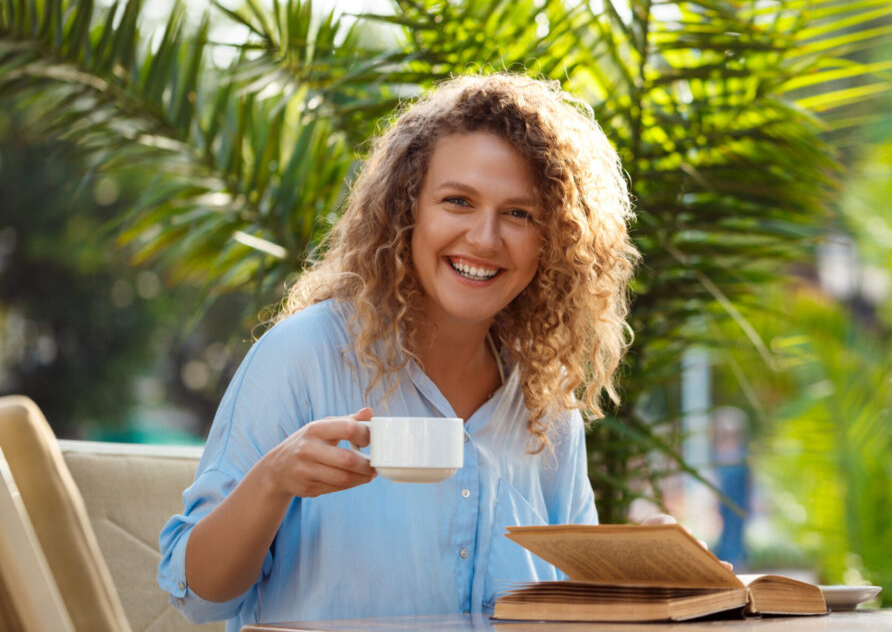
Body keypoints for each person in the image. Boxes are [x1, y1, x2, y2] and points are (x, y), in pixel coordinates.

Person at [158, 73, 639, 630]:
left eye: (519, 214)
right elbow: (199, 597)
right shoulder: (303, 356)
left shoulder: (547, 407)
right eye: (458, 201)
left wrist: (649, 577)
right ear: (407, 212)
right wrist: (273, 481)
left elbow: (578, 605)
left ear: (552, 240)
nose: (485, 238)